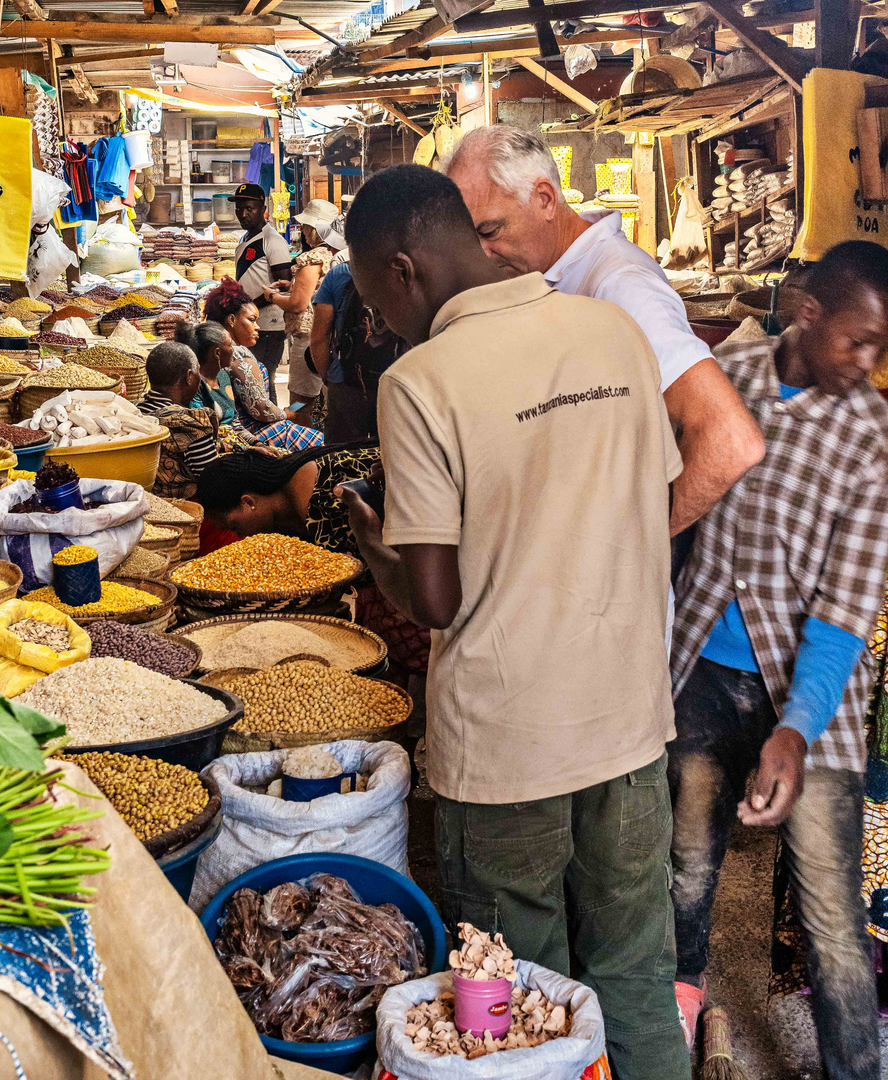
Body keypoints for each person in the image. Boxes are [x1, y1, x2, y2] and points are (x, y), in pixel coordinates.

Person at [337, 163, 688, 1080]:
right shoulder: (612, 332)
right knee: (636, 974)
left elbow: (436, 601)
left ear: (403, 268)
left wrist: (376, 547)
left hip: (504, 751)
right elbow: (643, 501)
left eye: (374, 293)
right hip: (628, 723)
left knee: (517, 1001)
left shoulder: (418, 383)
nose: (376, 318)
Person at [668, 241, 888, 1076]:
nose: (865, 363)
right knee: (685, 870)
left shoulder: (870, 440)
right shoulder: (732, 376)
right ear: (807, 315)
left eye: (879, 347)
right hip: (703, 667)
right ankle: (675, 1025)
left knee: (830, 907)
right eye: (855, 341)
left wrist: (793, 729)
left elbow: (843, 613)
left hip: (813, 696)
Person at [444, 125, 764, 537]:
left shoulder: (620, 284)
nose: (481, 253)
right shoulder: (555, 276)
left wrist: (627, 552)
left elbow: (731, 439)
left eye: (490, 231)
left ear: (544, 199)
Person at [196, 445, 432, 677]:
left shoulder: (321, 501)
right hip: (401, 555)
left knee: (393, 632)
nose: (238, 537)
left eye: (232, 526)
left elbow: (375, 558)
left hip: (424, 552)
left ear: (248, 502)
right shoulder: (292, 483)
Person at [203, 277, 323, 453]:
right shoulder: (238, 356)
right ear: (231, 320)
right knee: (321, 444)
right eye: (252, 320)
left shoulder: (214, 349)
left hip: (240, 429)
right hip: (254, 430)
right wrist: (288, 414)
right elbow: (261, 410)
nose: (257, 327)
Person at [262, 199, 344, 417]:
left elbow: (298, 305)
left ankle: (303, 440)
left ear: (317, 229)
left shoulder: (312, 258)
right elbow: (314, 292)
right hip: (328, 336)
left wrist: (272, 296)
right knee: (323, 397)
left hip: (308, 339)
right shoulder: (333, 255)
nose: (303, 230)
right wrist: (293, 286)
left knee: (300, 401)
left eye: (306, 226)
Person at [310, 261, 406, 444]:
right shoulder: (410, 271)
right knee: (390, 458)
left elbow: (318, 338)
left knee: (341, 459)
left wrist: (329, 378)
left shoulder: (340, 273)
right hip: (397, 384)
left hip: (347, 382)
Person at [139, 340, 246, 500]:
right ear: (189, 377)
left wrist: (235, 449)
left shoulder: (137, 411)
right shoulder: (188, 423)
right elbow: (214, 481)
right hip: (186, 509)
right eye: (197, 373)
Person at [227, 182, 292, 402]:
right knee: (250, 381)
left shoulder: (272, 241)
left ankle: (272, 430)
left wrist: (251, 306)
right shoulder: (245, 238)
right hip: (251, 323)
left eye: (249, 209)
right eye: (239, 209)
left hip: (269, 326)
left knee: (262, 382)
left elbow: (284, 286)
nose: (242, 214)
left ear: (263, 207)